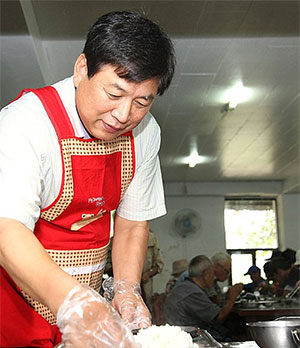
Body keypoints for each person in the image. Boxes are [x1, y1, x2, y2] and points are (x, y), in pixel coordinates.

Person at [0, 10, 175, 348]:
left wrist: (126, 289)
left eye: (141, 102)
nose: (124, 115)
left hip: (87, 296)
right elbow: (7, 229)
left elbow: (133, 220)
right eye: (114, 94)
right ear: (82, 69)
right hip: (15, 302)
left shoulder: (145, 132)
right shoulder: (25, 123)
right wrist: (72, 303)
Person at [164, 255, 246, 341]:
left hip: (188, 332)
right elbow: (219, 317)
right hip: (191, 337)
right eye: (212, 273)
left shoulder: (187, 286)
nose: (214, 277)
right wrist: (231, 298)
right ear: (206, 274)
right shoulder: (193, 292)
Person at [141, 230, 164, 309]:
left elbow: (159, 263)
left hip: (145, 289)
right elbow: (107, 267)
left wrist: (148, 273)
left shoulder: (151, 238)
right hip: (123, 288)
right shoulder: (116, 239)